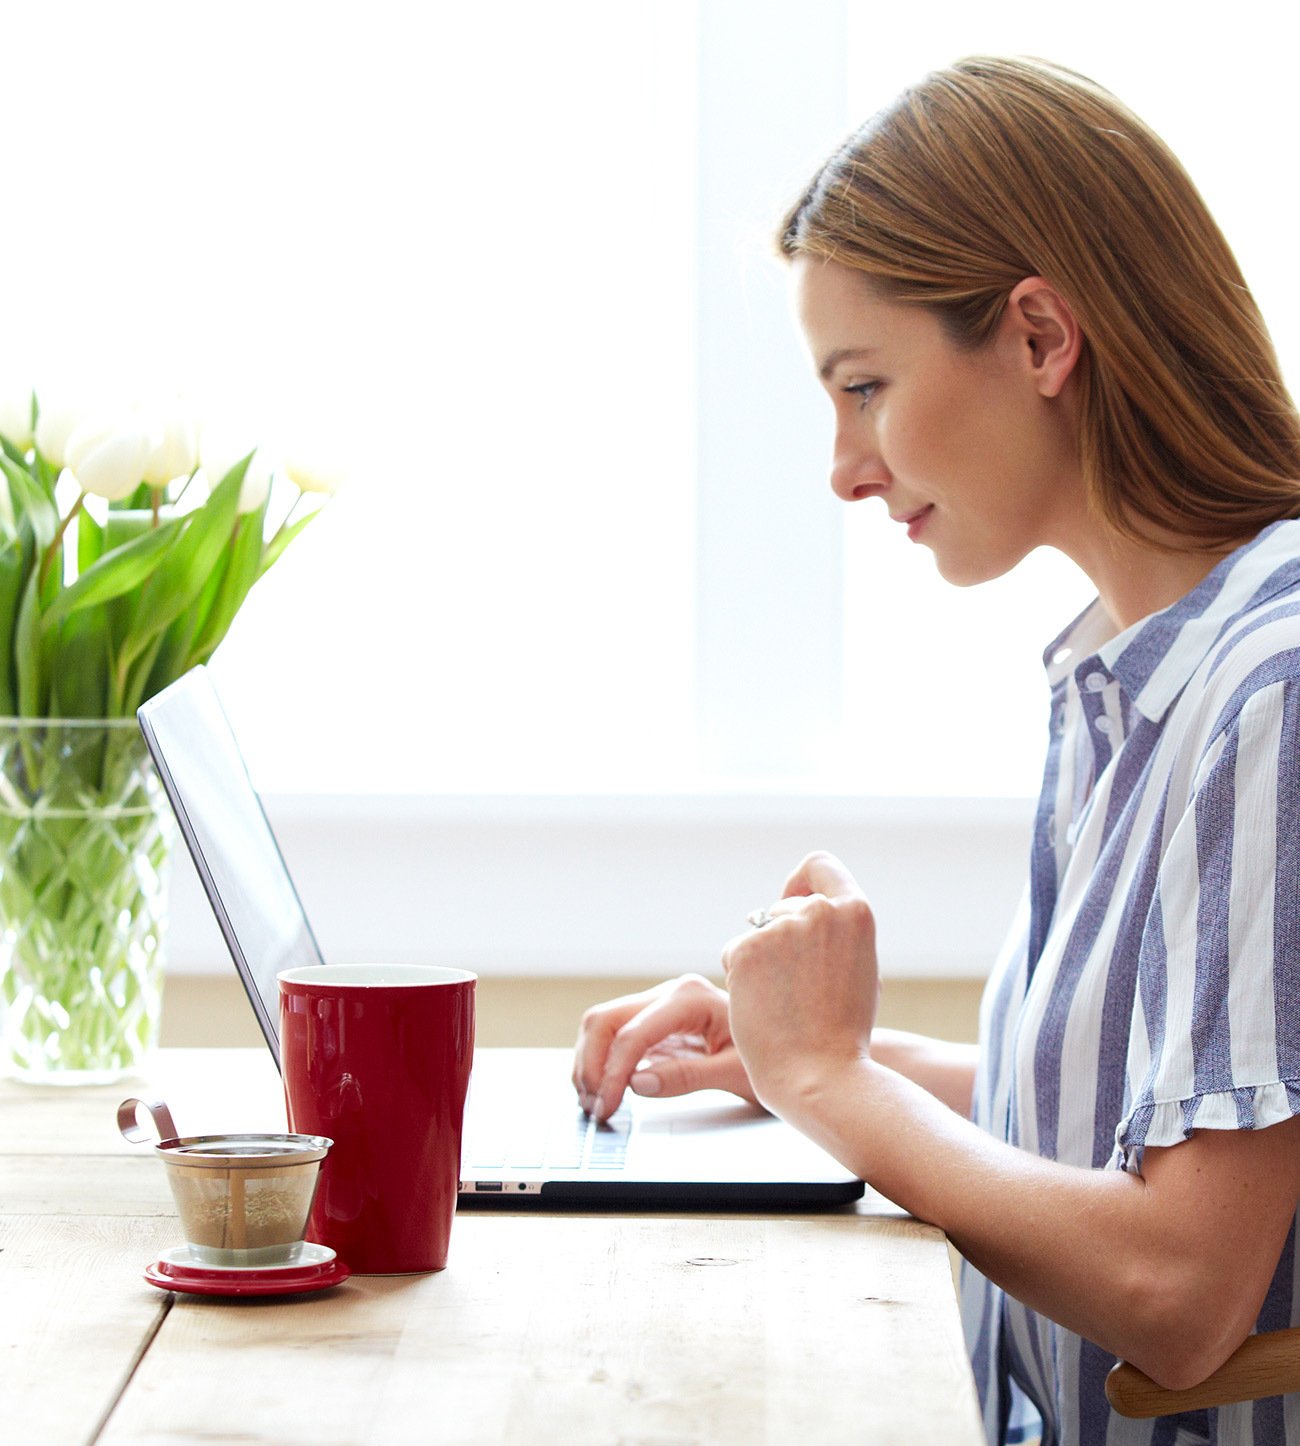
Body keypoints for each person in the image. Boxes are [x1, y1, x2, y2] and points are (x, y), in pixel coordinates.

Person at [571, 56, 1300, 1446]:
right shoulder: (1132, 675)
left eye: (864, 386)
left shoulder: (1277, 688)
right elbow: (1121, 1113)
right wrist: (783, 1053)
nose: (844, 466)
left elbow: (1182, 1284)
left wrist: (832, 1084)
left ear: (1038, 338)